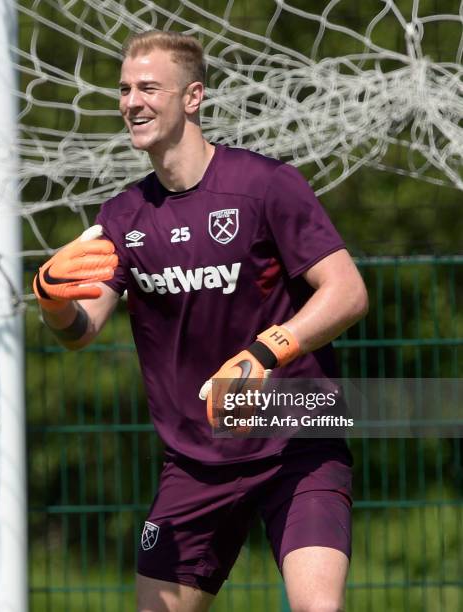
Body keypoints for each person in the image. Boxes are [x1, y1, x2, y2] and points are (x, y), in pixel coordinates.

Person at [33, 30, 368, 612]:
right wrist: (53, 302)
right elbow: (80, 333)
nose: (131, 102)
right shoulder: (123, 217)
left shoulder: (264, 187)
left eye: (148, 88)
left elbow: (347, 292)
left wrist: (264, 354)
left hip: (297, 444)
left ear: (192, 97)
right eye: (123, 90)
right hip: (194, 463)